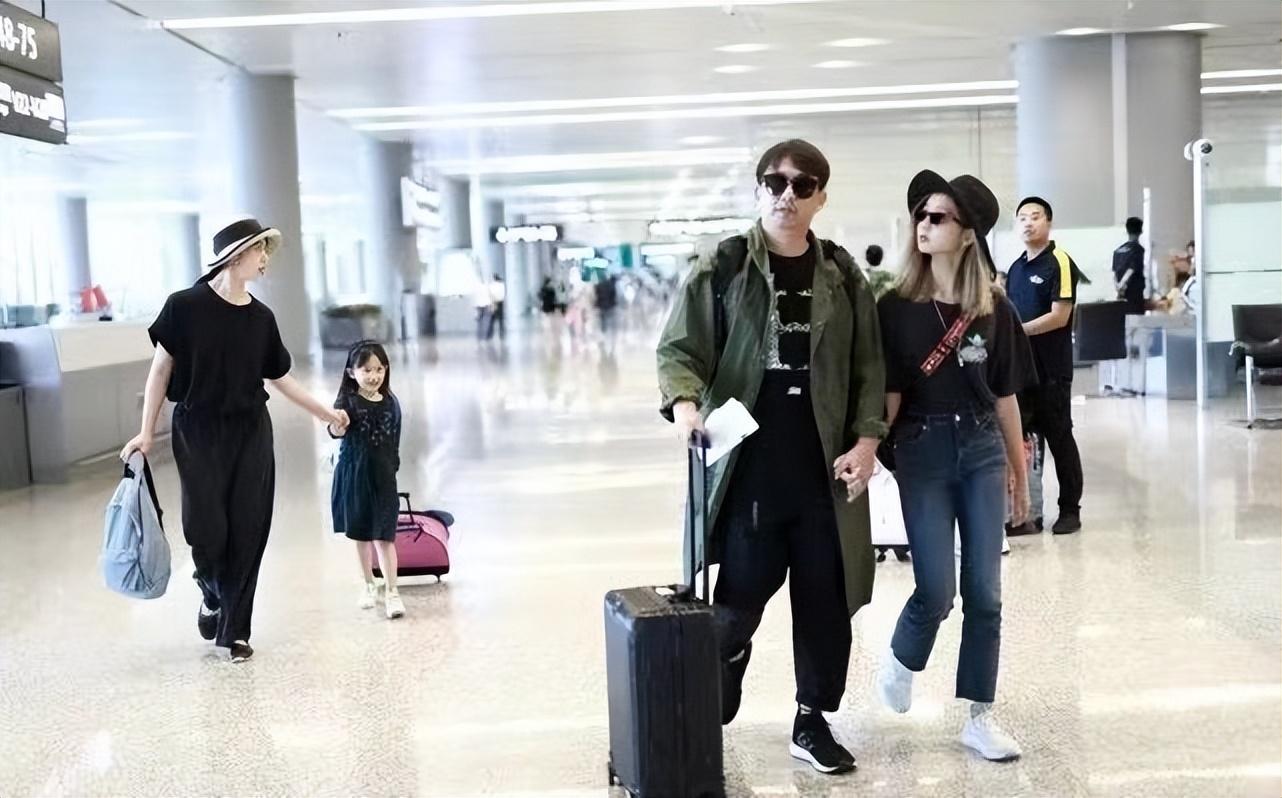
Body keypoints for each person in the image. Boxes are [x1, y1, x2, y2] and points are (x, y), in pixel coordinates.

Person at [657, 139, 886, 776]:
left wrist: (867, 441)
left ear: (821, 197)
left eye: (802, 184)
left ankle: (812, 720)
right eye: (775, 181)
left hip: (823, 470)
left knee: (824, 600)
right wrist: (686, 408)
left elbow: (870, 367)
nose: (787, 194)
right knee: (740, 592)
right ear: (759, 188)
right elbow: (679, 349)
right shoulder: (724, 265)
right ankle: (728, 655)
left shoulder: (842, 274)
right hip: (749, 466)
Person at [121, 219, 349, 663]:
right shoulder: (184, 307)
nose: (265, 260)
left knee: (248, 529)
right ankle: (210, 591)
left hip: (250, 432)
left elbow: (281, 378)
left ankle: (235, 631)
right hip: (197, 430)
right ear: (236, 255)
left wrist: (327, 414)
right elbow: (160, 371)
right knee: (205, 531)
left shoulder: (261, 319)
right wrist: (147, 431)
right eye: (260, 250)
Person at [875, 170, 1036, 761]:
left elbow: (1005, 396)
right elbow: (889, 394)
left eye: (938, 217)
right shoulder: (893, 308)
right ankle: (902, 659)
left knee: (985, 593)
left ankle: (979, 714)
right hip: (922, 449)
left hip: (982, 449)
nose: (924, 224)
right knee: (936, 588)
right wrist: (871, 452)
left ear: (967, 234)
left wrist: (1020, 474)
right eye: (920, 214)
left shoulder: (994, 309)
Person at [1006, 197, 1084, 535]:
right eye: (1022, 218)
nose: (1028, 222)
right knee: (1026, 442)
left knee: (1059, 437)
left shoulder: (1060, 262)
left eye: (1035, 216)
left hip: (1052, 370)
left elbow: (1060, 316)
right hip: (1022, 373)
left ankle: (1069, 510)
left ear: (1048, 222)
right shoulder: (1015, 269)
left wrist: (1018, 332)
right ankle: (1030, 514)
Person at [329, 340, 405, 620]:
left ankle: (392, 591)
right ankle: (368, 584)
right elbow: (335, 430)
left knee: (384, 536)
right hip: (355, 477)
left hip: (383, 478)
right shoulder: (346, 402)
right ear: (352, 372)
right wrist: (337, 423)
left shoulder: (391, 403)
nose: (374, 376)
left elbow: (394, 441)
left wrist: (392, 469)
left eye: (379, 369)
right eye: (367, 370)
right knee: (361, 535)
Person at [1113, 217, 1147, 315]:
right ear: (1140, 231)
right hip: (1135, 294)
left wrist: (1118, 287)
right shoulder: (1138, 249)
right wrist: (1122, 284)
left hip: (1121, 295)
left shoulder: (1118, 250)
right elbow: (1132, 269)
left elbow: (1114, 273)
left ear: (1127, 231)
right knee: (1136, 321)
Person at [486, 273, 507, 341]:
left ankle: (490, 334)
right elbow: (503, 295)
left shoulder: (492, 285)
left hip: (494, 303)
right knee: (501, 321)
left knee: (491, 321)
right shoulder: (502, 285)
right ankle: (502, 334)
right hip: (500, 303)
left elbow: (490, 295)